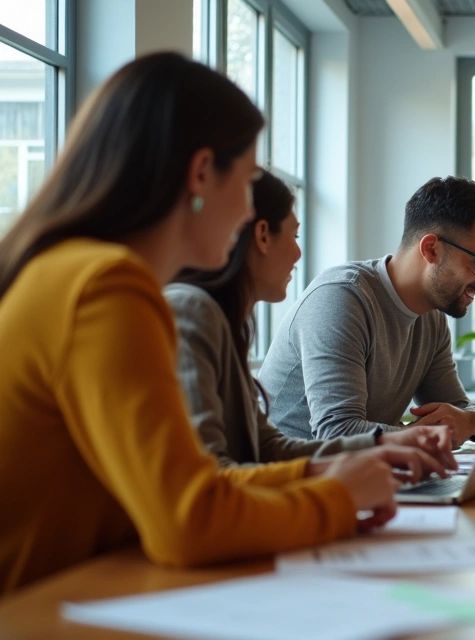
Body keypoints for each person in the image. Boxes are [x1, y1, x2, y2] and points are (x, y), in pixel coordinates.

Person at [0, 53, 443, 596]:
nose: (246, 210)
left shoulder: (72, 272)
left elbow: (193, 486)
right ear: (202, 173)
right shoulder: (106, 287)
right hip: (37, 611)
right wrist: (337, 497)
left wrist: (330, 471)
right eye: (249, 178)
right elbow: (188, 522)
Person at [166, 171, 459, 470]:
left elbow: (267, 446)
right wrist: (341, 485)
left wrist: (382, 445)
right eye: (294, 236)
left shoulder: (228, 324)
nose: (298, 253)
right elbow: (212, 478)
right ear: (262, 235)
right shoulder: (193, 314)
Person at [257, 176, 475, 446]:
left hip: (360, 477)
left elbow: (458, 411)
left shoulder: (431, 317)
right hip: (287, 479)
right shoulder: (341, 299)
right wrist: (426, 435)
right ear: (431, 249)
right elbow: (336, 432)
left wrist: (471, 421)